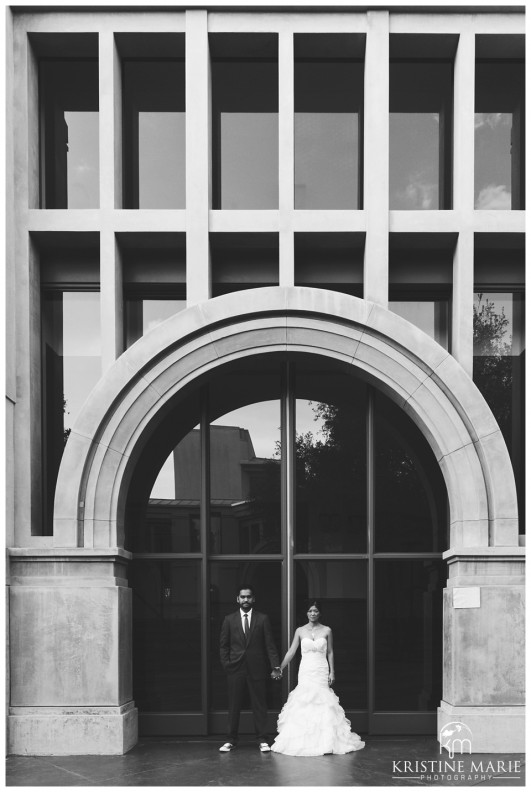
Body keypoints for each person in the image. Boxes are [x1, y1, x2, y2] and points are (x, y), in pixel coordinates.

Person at [270, 600, 365, 757]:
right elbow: (292, 651)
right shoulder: (300, 631)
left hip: (321, 669)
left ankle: (326, 741)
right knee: (304, 700)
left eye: (315, 611)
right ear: (306, 613)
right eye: (310, 611)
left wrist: (332, 672)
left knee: (323, 701)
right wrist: (280, 667)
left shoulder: (327, 630)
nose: (312, 613)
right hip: (306, 669)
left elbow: (330, 652)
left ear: (319, 613)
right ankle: (302, 740)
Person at [219, 584, 281, 753]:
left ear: (253, 599)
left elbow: (270, 645)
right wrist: (226, 664)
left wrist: (275, 666)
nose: (245, 600)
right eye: (242, 597)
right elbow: (223, 646)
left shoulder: (263, 619)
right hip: (235, 669)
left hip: (257, 668)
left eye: (248, 597)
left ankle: (262, 739)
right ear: (237, 599)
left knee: (259, 705)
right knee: (234, 705)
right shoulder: (229, 619)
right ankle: (230, 740)